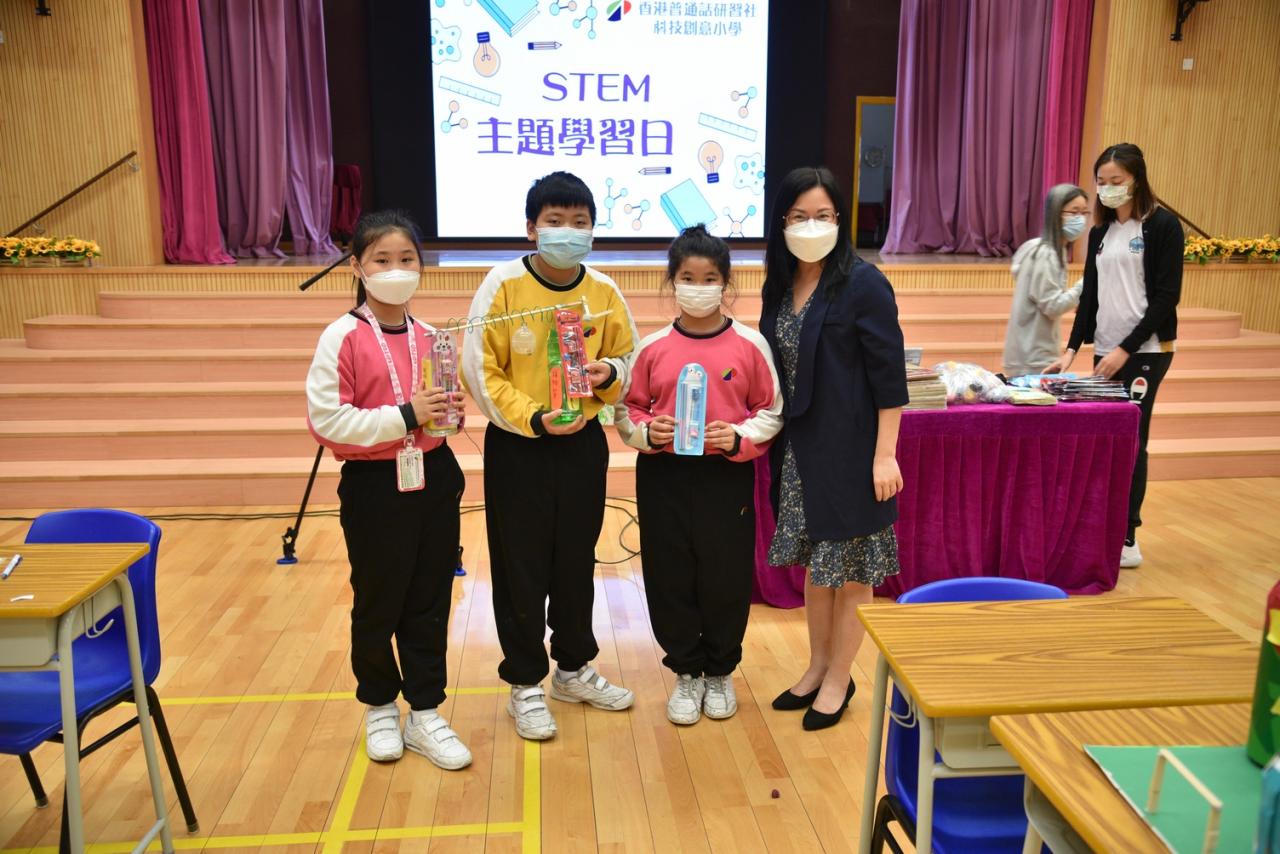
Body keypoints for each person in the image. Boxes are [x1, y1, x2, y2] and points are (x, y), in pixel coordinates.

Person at [461, 171, 640, 741]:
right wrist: (534, 418)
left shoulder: (604, 292)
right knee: (520, 566)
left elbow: (630, 359)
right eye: (555, 221)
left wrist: (608, 374)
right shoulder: (503, 285)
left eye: (579, 222)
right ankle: (524, 682)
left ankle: (573, 668)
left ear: (593, 230)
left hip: (583, 445)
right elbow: (479, 368)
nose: (568, 231)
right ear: (531, 228)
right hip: (521, 446)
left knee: (575, 560)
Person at [305, 210, 472, 770]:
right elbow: (328, 422)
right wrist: (406, 414)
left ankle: (425, 710)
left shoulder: (433, 338)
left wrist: (448, 413)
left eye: (407, 259)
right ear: (356, 266)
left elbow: (440, 416)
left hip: (433, 476)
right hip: (376, 485)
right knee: (379, 599)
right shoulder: (342, 336)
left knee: (430, 598)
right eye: (382, 259)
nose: (396, 269)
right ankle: (379, 704)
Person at [759, 167, 909, 732]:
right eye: (799, 216)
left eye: (822, 215)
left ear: (840, 220)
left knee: (853, 573)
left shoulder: (863, 284)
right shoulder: (780, 284)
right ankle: (817, 666)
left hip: (854, 452)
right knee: (818, 570)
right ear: (782, 221)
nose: (811, 225)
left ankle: (839, 679)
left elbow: (889, 377)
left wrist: (885, 455)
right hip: (799, 452)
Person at [619, 225, 783, 726]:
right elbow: (627, 410)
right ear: (672, 281)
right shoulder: (652, 348)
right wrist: (648, 432)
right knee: (669, 572)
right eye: (687, 277)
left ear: (725, 283)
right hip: (664, 474)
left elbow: (771, 410)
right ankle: (686, 671)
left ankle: (720, 671)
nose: (698, 287)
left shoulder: (750, 345)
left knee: (724, 573)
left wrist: (737, 437)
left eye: (710, 278)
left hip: (724, 477)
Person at [1046, 143, 1182, 569]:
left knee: (1133, 439)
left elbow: (1166, 297)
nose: (1107, 189)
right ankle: (1101, 526)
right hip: (1106, 349)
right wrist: (1071, 350)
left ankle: (1128, 535)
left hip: (1145, 351)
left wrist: (1127, 348)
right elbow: (1090, 296)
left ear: (1136, 179)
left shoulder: (1162, 226)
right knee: (1107, 438)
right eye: (1101, 182)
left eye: (1116, 181)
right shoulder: (1101, 233)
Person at [1002, 184, 1090, 378]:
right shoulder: (1046, 254)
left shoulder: (1043, 249)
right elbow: (1052, 306)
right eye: (1074, 212)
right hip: (1033, 358)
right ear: (1056, 213)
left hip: (1031, 354)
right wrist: (1087, 284)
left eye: (1084, 212)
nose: (1080, 219)